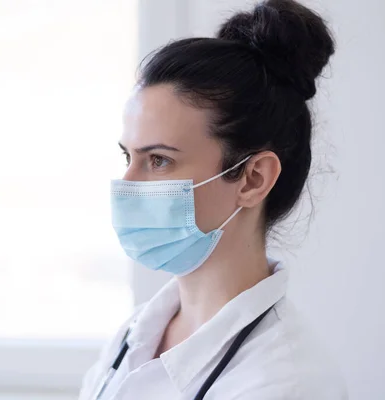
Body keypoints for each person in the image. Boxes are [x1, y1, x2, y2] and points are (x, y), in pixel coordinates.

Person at [79, 0, 347, 399]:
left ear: (253, 179)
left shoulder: (286, 384)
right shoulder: (134, 336)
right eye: (127, 156)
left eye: (158, 160)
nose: (128, 182)